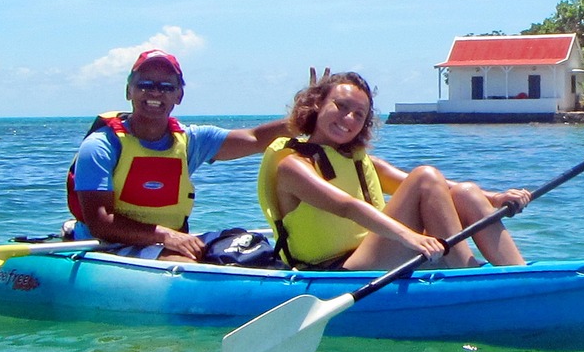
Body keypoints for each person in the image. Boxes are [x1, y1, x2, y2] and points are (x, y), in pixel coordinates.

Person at [258, 70, 532, 270]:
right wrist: (409, 237)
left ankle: (519, 273)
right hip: (335, 269)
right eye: (340, 106)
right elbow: (347, 207)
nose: (348, 118)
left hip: (378, 253)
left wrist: (494, 197)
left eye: (359, 114)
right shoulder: (293, 166)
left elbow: (436, 188)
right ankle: (466, 275)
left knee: (466, 191)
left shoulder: (359, 161)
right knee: (424, 176)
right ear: (318, 104)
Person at [66, 50, 292, 261]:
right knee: (191, 264)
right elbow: (100, 223)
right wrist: (165, 235)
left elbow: (255, 139)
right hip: (109, 246)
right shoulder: (100, 146)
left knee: (252, 247)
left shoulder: (192, 141)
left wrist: (305, 116)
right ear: (129, 91)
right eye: (144, 85)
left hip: (167, 242)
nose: (155, 92)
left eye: (166, 87)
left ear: (179, 95)